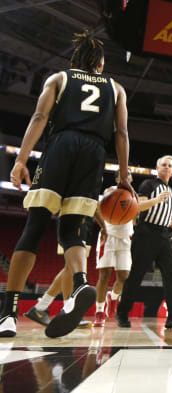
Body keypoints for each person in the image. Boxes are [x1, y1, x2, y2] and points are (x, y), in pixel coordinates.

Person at [0, 30, 133, 338]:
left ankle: (8, 313)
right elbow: (122, 133)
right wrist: (124, 174)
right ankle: (80, 284)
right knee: (71, 230)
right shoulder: (117, 88)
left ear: (75, 60)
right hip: (94, 153)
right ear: (99, 64)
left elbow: (39, 117)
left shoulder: (58, 79)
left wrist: (21, 161)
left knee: (34, 228)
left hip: (62, 145)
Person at [115, 155, 172, 329]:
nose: (166, 167)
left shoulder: (170, 191)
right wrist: (156, 200)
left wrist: (171, 223)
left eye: (170, 165)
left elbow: (162, 213)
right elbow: (138, 207)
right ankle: (122, 313)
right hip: (146, 233)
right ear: (157, 168)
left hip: (164, 236)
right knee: (136, 275)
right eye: (163, 165)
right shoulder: (149, 185)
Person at [93, 173, 170, 327]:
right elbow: (96, 208)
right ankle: (99, 311)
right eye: (122, 176)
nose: (125, 177)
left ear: (131, 179)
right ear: (117, 179)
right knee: (104, 275)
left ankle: (113, 297)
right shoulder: (110, 190)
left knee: (124, 277)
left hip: (125, 238)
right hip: (108, 237)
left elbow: (136, 217)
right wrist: (103, 227)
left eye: (128, 175)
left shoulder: (135, 196)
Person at [24, 218, 97, 329]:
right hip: (78, 215)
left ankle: (41, 306)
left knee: (70, 266)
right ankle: (67, 310)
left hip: (85, 219)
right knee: (71, 266)